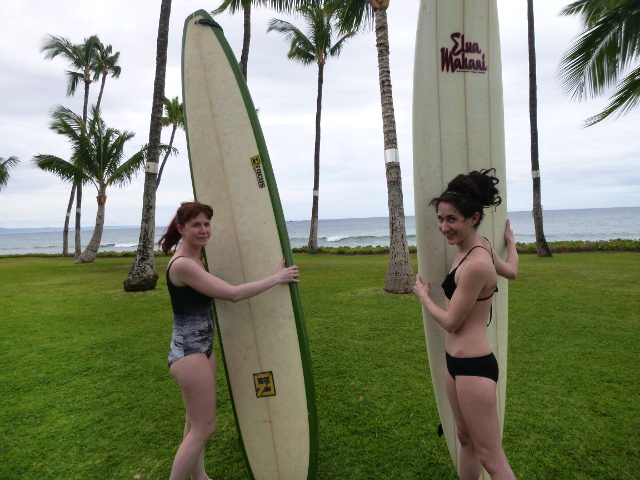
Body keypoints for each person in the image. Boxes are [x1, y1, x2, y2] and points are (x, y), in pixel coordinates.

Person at [158, 201, 300, 480]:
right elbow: (232, 294)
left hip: (201, 350)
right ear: (181, 229)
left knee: (194, 422)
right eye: (196, 225)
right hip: (189, 354)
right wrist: (277, 278)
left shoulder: (196, 258)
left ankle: (200, 477)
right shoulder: (184, 265)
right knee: (204, 429)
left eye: (207, 224)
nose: (203, 230)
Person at [412, 169, 519, 480]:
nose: (444, 227)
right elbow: (511, 272)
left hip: (474, 367)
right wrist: (511, 244)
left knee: (492, 458)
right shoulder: (481, 246)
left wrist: (423, 295)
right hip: (454, 362)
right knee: (464, 438)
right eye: (441, 219)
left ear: (473, 218)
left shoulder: (475, 264)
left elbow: (450, 321)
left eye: (452, 220)